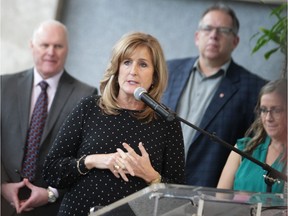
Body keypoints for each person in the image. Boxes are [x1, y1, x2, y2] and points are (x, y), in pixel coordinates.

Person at [43, 32, 185, 215]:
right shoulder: (89, 108)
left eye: (143, 64)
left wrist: (151, 176)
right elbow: (52, 171)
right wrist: (93, 160)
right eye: (126, 62)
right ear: (116, 68)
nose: (133, 70)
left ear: (155, 76)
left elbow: (180, 198)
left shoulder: (167, 122)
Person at [162, 3, 267, 187]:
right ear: (197, 36)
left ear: (235, 41)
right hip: (156, 183)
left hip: (208, 192)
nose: (213, 35)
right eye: (207, 28)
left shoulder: (254, 88)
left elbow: (252, 149)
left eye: (223, 30)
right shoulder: (168, 71)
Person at [1, 20, 97, 216]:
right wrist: (1, 186)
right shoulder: (4, 85)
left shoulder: (86, 95)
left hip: (51, 207)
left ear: (67, 49)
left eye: (58, 46)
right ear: (32, 45)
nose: (51, 52)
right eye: (45, 45)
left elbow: (85, 155)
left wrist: (52, 193)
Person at [217, 79, 287, 193]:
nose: (268, 118)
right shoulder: (243, 148)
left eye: (277, 110)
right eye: (264, 110)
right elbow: (219, 200)